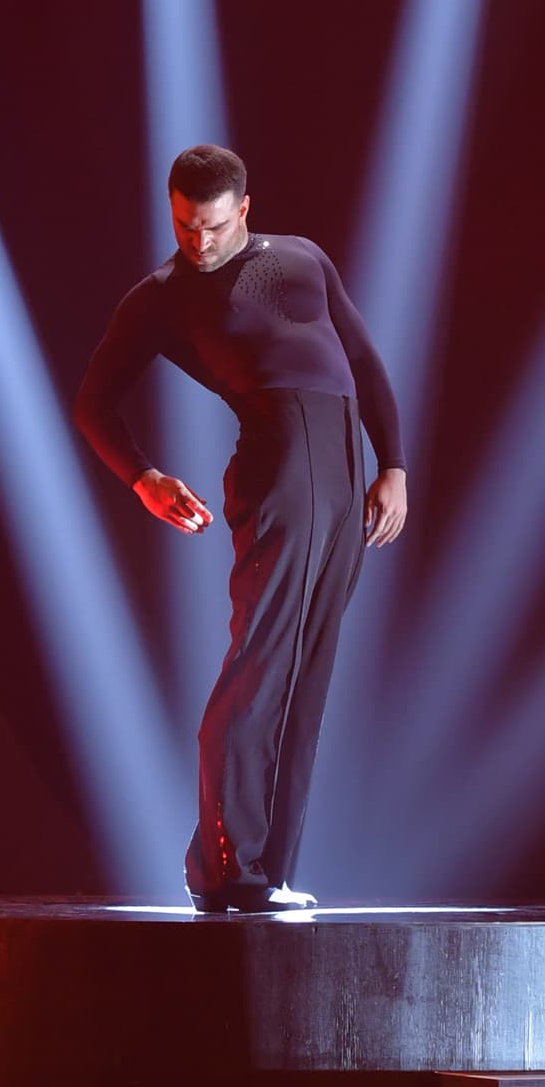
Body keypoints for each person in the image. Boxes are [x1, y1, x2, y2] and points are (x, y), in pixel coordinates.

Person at [74, 145, 407, 912]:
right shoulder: (159, 295)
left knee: (306, 671)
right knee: (258, 665)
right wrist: (143, 477)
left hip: (345, 469)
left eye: (213, 227)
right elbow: (94, 400)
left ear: (245, 210)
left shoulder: (302, 258)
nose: (198, 242)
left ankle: (270, 869)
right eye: (186, 226)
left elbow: (361, 357)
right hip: (278, 467)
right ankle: (224, 869)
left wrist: (394, 464)